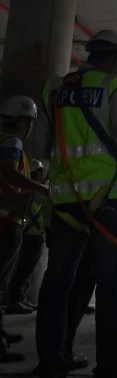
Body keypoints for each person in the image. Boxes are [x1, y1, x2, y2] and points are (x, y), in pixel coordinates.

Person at [35, 29, 117, 378]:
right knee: (110, 286)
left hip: (65, 200)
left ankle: (52, 362)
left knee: (57, 282)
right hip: (109, 199)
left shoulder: (54, 88)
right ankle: (110, 367)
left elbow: (41, 146)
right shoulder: (114, 89)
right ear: (115, 59)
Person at [0, 96, 50, 363]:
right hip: (7, 217)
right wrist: (38, 187)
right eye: (30, 121)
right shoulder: (12, 142)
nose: (30, 127)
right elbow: (9, 172)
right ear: (21, 121)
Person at [6, 159, 51, 315]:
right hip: (33, 235)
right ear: (38, 173)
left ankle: (19, 297)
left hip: (27, 232)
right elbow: (43, 196)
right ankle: (16, 299)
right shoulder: (37, 190)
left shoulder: (23, 188)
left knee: (22, 269)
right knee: (25, 269)